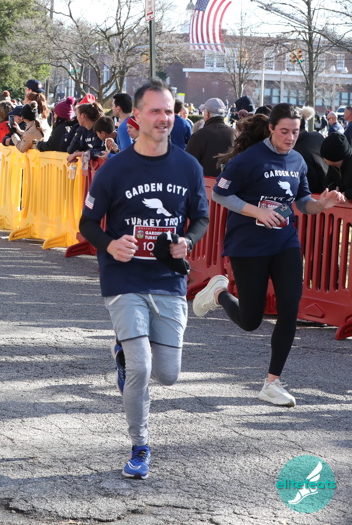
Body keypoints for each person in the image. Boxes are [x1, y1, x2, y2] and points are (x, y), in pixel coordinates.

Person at [79, 79, 210, 481]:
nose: (163, 118)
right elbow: (87, 222)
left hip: (168, 280)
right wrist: (109, 244)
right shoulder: (115, 168)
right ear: (135, 116)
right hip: (124, 277)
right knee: (141, 366)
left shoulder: (188, 167)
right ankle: (140, 446)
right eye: (155, 111)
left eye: (169, 111)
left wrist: (187, 241)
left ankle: (123, 351)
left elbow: (201, 218)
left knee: (167, 374)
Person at [193, 104, 345, 407]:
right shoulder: (249, 159)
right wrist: (257, 212)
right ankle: (219, 292)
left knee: (290, 308)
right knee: (251, 320)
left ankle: (272, 383)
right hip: (248, 245)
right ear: (271, 129)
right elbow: (220, 193)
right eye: (284, 131)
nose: (290, 138)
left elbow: (301, 202)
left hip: (285, 242)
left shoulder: (297, 160)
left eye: (295, 132)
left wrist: (322, 204)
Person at [185, 98, 236, 177]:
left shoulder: (199, 135)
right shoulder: (235, 133)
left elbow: (188, 163)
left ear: (207, 114)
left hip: (205, 181)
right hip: (228, 181)